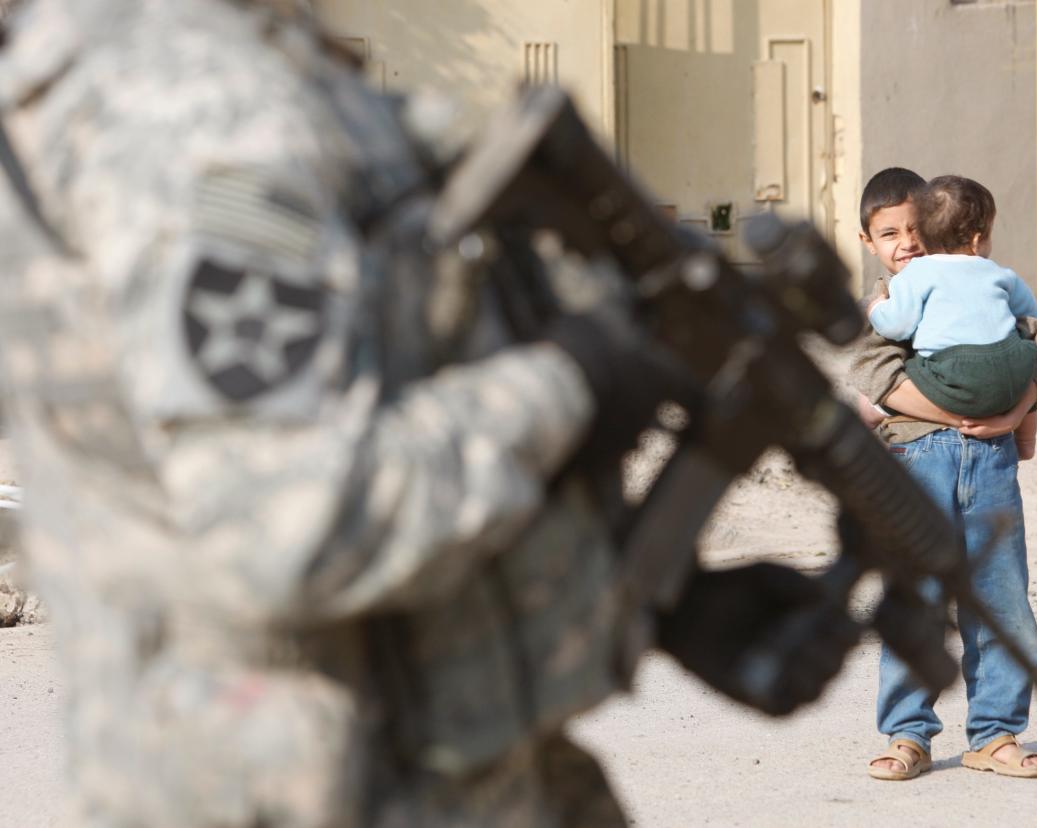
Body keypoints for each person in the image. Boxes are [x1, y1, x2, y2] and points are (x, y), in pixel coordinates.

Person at [0, 1, 847, 824]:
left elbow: (400, 397)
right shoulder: (201, 107)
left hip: (431, 767)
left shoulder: (255, 70)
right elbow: (294, 523)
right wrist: (573, 382)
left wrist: (657, 599)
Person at [849, 167, 1037, 780]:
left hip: (991, 466)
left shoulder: (981, 289)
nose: (907, 243)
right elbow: (873, 376)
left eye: (918, 229)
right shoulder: (886, 306)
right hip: (915, 465)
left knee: (1002, 600)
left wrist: (1017, 410)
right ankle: (908, 734)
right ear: (870, 244)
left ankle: (995, 734)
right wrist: (965, 409)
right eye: (890, 235)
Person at [867, 175, 1037, 460]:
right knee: (1028, 357)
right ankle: (1027, 444)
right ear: (976, 240)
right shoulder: (999, 273)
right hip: (1008, 380)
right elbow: (1032, 318)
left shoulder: (915, 274)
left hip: (954, 374)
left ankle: (876, 411)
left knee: (910, 368)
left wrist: (875, 308)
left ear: (922, 234)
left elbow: (896, 325)